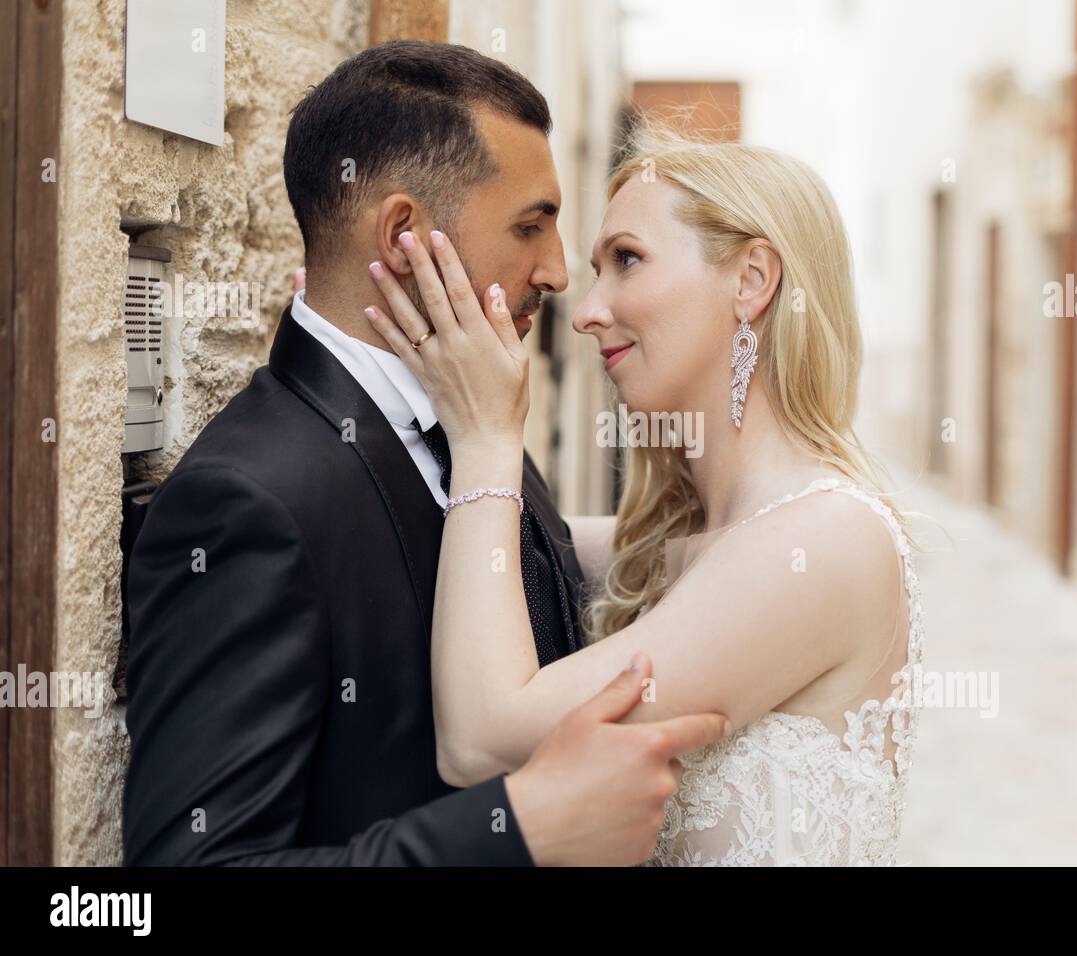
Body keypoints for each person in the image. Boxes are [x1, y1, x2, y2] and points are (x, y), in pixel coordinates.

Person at [122, 41, 729, 867]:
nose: (556, 272)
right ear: (404, 234)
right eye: (530, 226)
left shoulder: (476, 413)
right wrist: (521, 831)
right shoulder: (249, 501)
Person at [363, 131, 927, 866]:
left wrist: (489, 438)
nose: (589, 310)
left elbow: (479, 738)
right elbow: (499, 553)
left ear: (752, 278)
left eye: (627, 259)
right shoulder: (668, 544)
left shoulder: (823, 544)